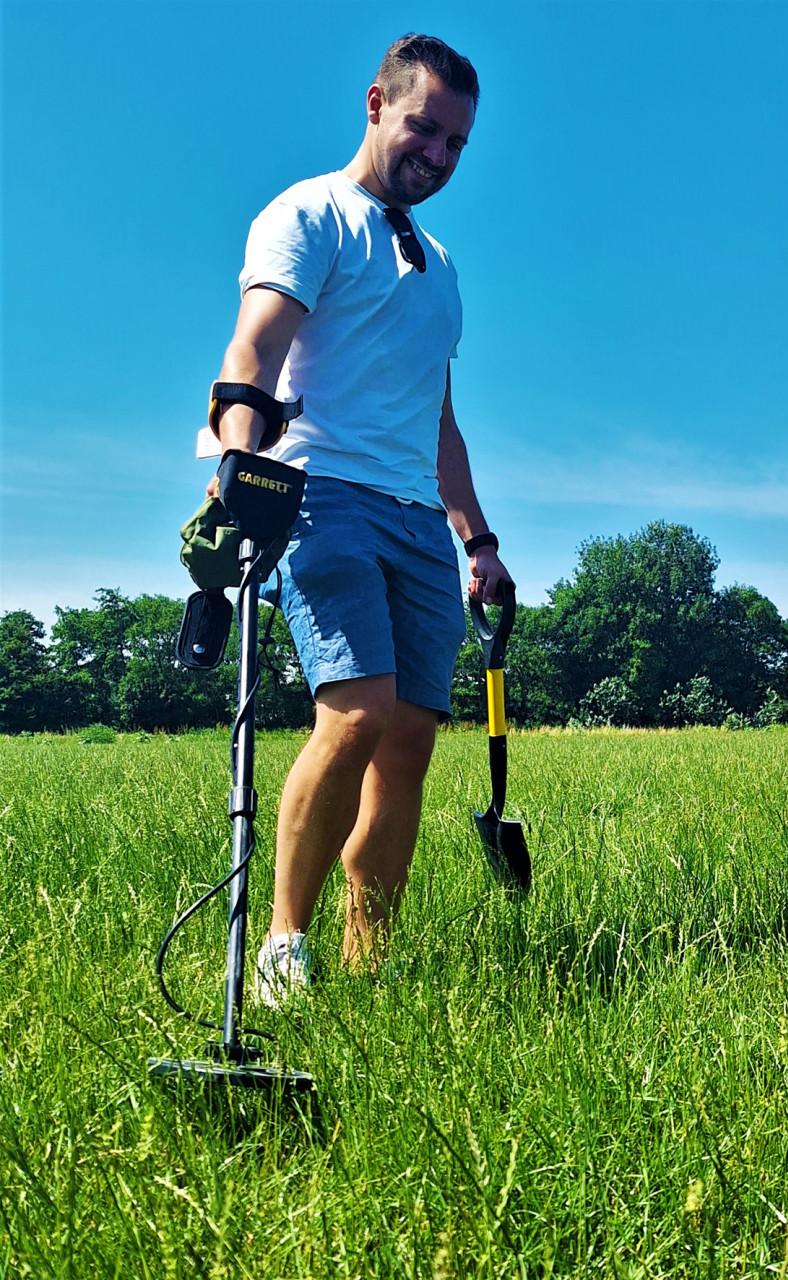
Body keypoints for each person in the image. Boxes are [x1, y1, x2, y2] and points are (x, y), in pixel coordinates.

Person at [206, 34, 512, 1004]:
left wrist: (478, 539)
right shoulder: (308, 214)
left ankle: (365, 964)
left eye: (457, 142)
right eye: (425, 127)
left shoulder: (444, 268)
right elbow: (254, 348)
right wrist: (236, 457)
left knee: (409, 739)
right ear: (375, 102)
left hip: (418, 517)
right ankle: (282, 949)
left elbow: (439, 419)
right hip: (319, 491)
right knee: (357, 710)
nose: (439, 154)